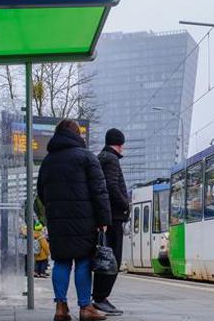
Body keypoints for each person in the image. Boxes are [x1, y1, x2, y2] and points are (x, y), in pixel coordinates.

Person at [38, 119, 111, 321]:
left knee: (60, 261)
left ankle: (61, 308)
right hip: (83, 219)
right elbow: (99, 190)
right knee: (83, 262)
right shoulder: (86, 157)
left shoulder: (48, 161)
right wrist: (103, 219)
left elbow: (41, 192)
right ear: (77, 134)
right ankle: (85, 308)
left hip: (57, 220)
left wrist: (54, 210)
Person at [93, 128, 130, 316]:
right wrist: (126, 204)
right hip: (113, 218)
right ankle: (100, 298)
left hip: (106, 217)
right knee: (111, 259)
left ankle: (99, 297)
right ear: (120, 144)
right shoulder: (112, 160)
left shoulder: (102, 158)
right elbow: (112, 186)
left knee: (104, 257)